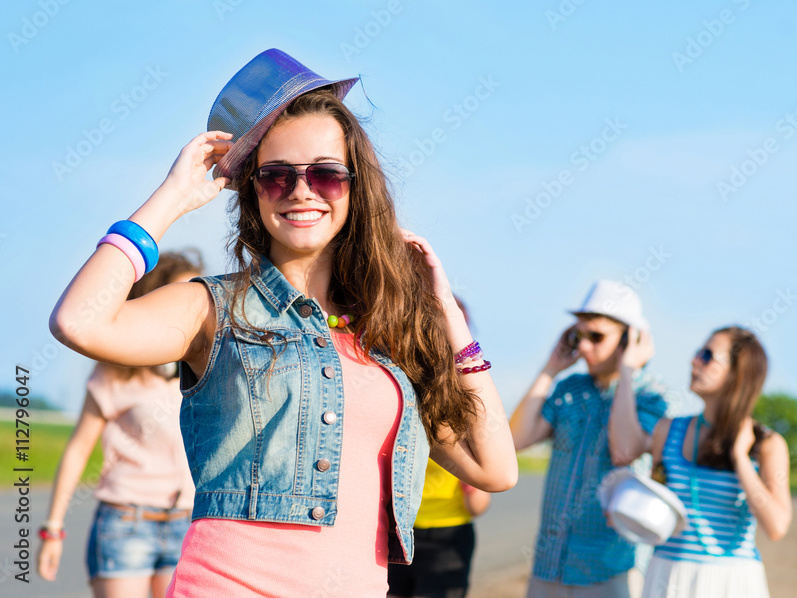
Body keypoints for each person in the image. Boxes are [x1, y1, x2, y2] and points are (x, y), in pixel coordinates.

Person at [48, 48, 518, 597]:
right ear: (253, 190)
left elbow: (497, 469)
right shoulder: (212, 309)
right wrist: (172, 198)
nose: (301, 190)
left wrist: (448, 317)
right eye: (277, 176)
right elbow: (78, 321)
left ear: (354, 187)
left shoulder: (388, 336)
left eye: (325, 174)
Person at [37, 251, 203, 598]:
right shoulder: (115, 372)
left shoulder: (205, 369)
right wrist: (53, 529)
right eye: (181, 292)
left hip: (188, 524)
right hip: (126, 523)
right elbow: (79, 449)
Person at [509, 280, 670, 598]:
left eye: (596, 336)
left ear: (629, 339)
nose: (583, 346)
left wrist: (626, 372)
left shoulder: (651, 396)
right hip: (549, 567)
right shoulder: (570, 389)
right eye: (578, 335)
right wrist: (549, 370)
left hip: (608, 571)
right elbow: (515, 439)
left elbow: (624, 451)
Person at [608, 326, 792, 598]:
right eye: (698, 353)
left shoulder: (766, 444)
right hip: (667, 574)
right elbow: (625, 454)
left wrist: (740, 458)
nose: (694, 361)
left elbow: (776, 526)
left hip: (732, 580)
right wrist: (626, 371)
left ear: (737, 374)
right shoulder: (668, 431)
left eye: (707, 356)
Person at [388, 297, 493, 598]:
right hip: (398, 530)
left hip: (444, 533)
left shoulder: (468, 398)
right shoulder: (399, 386)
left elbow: (479, 504)